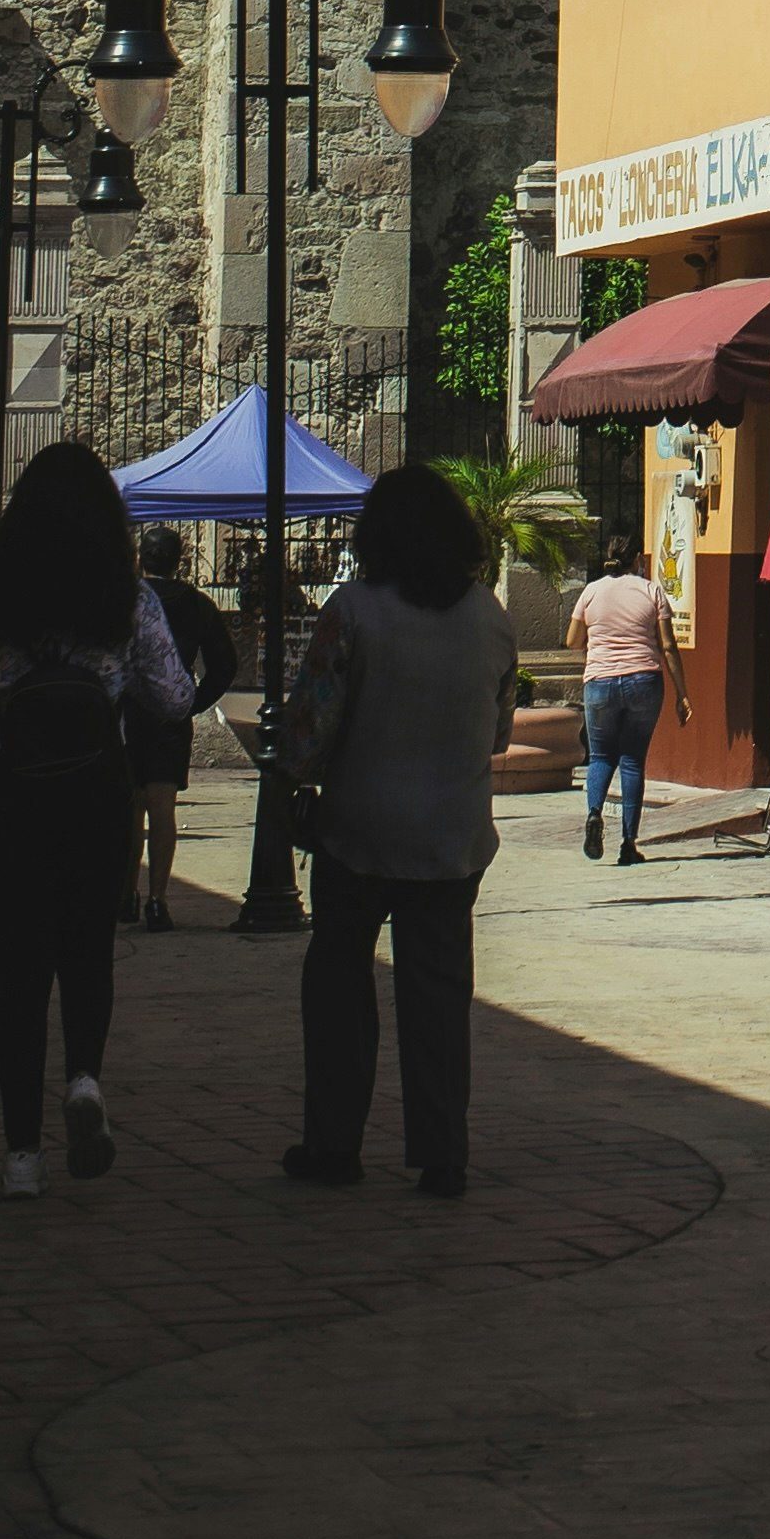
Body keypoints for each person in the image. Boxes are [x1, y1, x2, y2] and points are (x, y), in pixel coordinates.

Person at [0, 438, 188, 1200]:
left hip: (14, 791)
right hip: (97, 789)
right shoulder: (127, 598)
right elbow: (171, 696)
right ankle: (83, 1078)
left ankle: (20, 1156)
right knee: (87, 947)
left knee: (20, 970)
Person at [279, 459, 515, 1200]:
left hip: (359, 829)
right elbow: (499, 731)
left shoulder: (350, 611)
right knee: (440, 995)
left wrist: (297, 777)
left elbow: (310, 729)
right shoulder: (491, 617)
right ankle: (442, 1151)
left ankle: (334, 1141)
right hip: (451, 835)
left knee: (339, 981)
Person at [122, 523, 237, 931]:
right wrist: (195, 702)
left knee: (131, 808)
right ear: (179, 561)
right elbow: (224, 664)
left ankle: (126, 893)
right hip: (171, 715)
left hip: (129, 710)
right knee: (163, 809)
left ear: (141, 558)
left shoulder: (126, 599)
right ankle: (158, 898)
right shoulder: (196, 604)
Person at [565, 530, 686, 866]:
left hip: (599, 683)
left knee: (601, 756)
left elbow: (573, 640)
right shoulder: (652, 591)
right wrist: (683, 694)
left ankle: (594, 813)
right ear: (638, 560)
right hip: (643, 681)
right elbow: (668, 646)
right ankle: (629, 843)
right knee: (632, 760)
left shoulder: (591, 592)